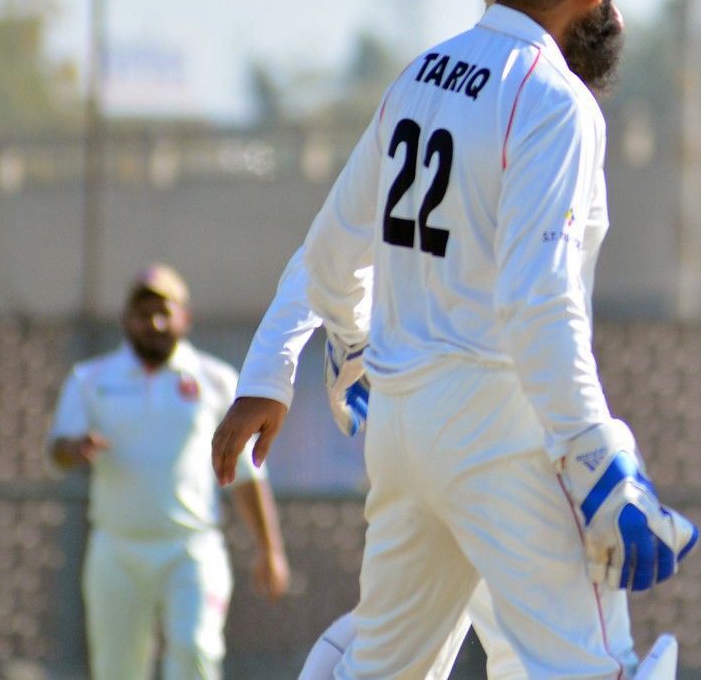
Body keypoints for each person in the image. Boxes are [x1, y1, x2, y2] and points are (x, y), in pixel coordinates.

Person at [223, 0, 697, 679]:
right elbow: (537, 300)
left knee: (385, 668)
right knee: (594, 667)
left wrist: (333, 352)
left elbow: (331, 251)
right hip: (499, 424)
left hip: (402, 426)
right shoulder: (556, 101)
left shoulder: (418, 78)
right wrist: (595, 455)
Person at [212, 247, 529, 680]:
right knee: (538, 644)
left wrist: (275, 373)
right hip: (467, 421)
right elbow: (332, 246)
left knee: (402, 642)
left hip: (436, 417)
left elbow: (333, 245)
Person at [48, 263, 290, 680]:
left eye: (164, 312)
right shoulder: (90, 379)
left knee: (195, 652)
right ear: (127, 319)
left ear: (185, 317)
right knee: (117, 671)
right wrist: (74, 448)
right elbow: (57, 450)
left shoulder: (216, 379)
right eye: (143, 314)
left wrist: (270, 550)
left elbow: (249, 476)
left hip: (190, 548)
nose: (154, 323)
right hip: (118, 549)